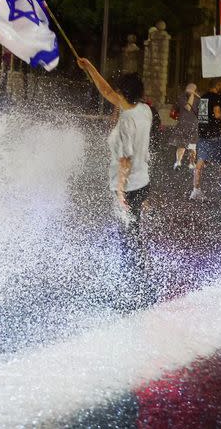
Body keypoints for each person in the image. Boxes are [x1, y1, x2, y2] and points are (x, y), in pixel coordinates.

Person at [76, 57, 152, 300]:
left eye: (118, 92)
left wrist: (120, 192)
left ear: (123, 95)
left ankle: (134, 288)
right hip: (143, 183)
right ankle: (137, 282)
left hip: (128, 187)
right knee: (133, 232)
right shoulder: (144, 110)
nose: (114, 94)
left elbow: (125, 160)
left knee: (128, 236)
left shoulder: (126, 122)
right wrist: (90, 68)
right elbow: (107, 91)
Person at [191, 78, 221, 201]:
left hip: (203, 135)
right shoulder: (216, 97)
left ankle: (195, 190)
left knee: (199, 165)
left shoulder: (203, 97)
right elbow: (217, 114)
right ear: (217, 85)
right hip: (215, 136)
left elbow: (202, 116)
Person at [169, 83, 200, 171]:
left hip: (188, 125)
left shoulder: (184, 98)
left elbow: (202, 113)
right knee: (187, 146)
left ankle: (185, 162)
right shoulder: (184, 98)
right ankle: (185, 163)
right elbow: (189, 108)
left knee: (186, 146)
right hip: (189, 125)